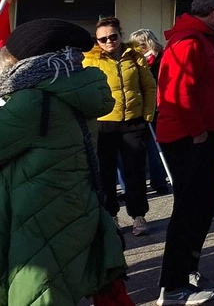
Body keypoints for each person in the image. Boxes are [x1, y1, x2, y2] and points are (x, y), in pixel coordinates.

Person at [0, 19, 127, 305]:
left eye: (8, 56)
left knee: (38, 293)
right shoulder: (71, 87)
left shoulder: (33, 101)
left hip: (37, 213)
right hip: (71, 204)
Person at [155, 0, 214, 305]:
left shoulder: (200, 38)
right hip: (188, 137)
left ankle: (188, 272)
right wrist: (197, 131)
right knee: (188, 211)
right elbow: (177, 92)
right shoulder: (189, 41)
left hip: (197, 134)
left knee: (201, 208)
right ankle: (173, 286)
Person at [85, 16, 157, 237]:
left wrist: (147, 114)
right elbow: (85, 91)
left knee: (135, 171)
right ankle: (111, 215)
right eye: (102, 39)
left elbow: (149, 86)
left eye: (113, 36)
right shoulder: (91, 60)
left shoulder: (134, 56)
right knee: (105, 173)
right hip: (104, 123)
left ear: (120, 35)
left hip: (133, 121)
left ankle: (138, 215)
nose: (108, 42)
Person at [130, 27, 172, 195]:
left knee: (156, 146)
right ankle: (154, 180)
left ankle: (159, 180)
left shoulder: (160, 59)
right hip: (143, 107)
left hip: (159, 106)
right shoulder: (136, 61)